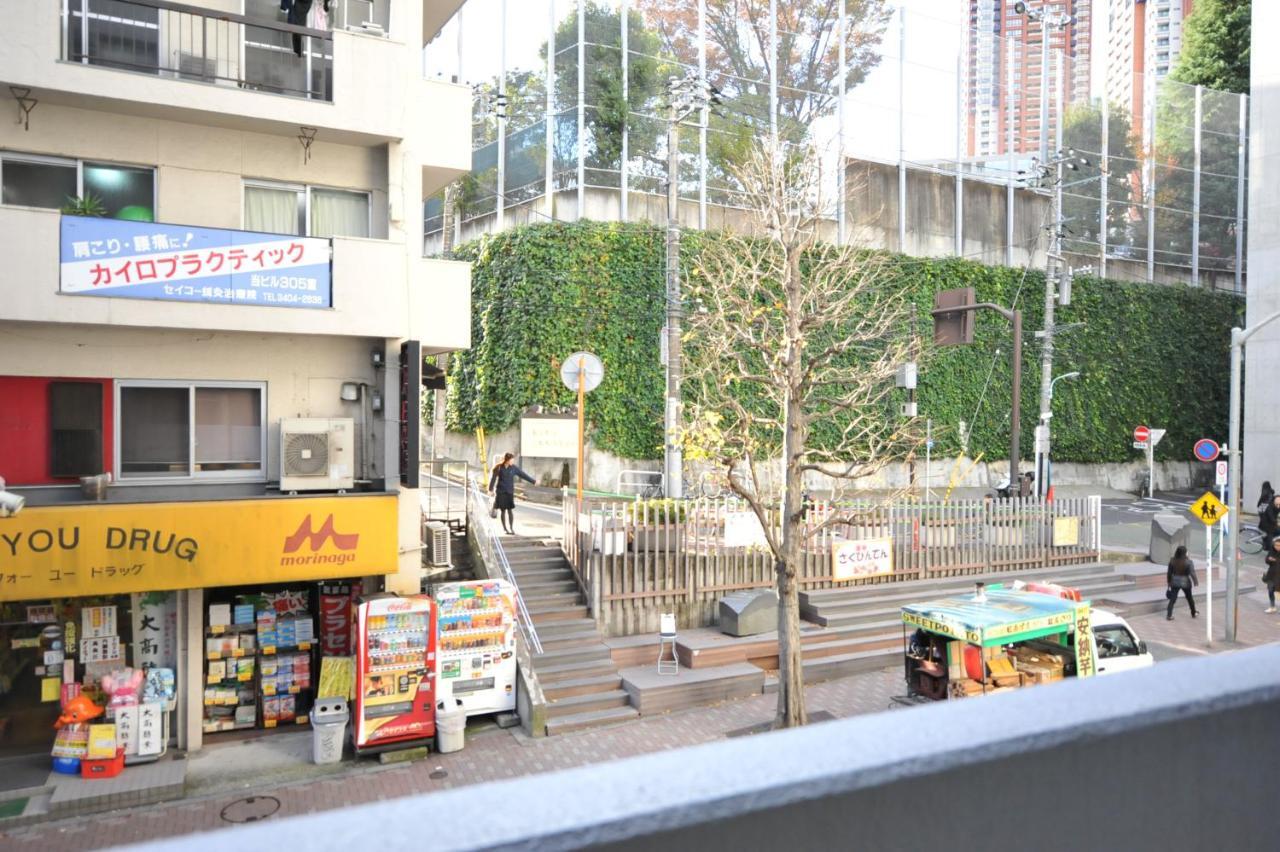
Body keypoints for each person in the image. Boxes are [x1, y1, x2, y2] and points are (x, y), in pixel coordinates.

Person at [488, 453, 535, 535]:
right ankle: (505, 529)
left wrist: (533, 481)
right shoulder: (499, 468)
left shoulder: (514, 468)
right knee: (503, 511)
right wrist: (490, 489)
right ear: (507, 460)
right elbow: (493, 479)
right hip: (501, 492)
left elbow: (523, 475)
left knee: (510, 510)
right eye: (511, 460)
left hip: (509, 492)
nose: (513, 461)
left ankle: (511, 528)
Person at [1166, 545, 1198, 621]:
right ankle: (1193, 613)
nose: (1187, 553)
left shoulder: (1172, 560)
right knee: (1189, 598)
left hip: (1175, 581)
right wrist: (1195, 581)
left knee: (1173, 599)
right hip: (1185, 582)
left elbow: (1169, 573)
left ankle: (1169, 615)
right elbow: (1192, 573)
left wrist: (1169, 581)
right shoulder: (1189, 562)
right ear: (1185, 553)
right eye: (1187, 551)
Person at [1264, 539, 1280, 614]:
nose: (1277, 547)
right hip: (1271, 574)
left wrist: (1275, 560)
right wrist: (1269, 560)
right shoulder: (1271, 551)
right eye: (1276, 545)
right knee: (1270, 590)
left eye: (1279, 545)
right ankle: (1272, 606)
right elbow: (1266, 560)